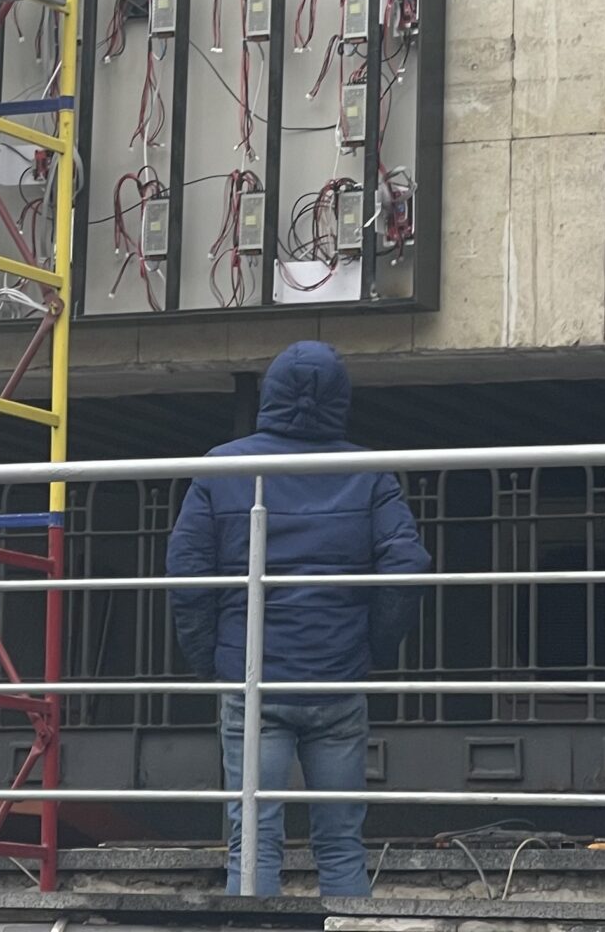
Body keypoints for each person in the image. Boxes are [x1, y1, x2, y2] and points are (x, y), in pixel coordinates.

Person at [166, 341, 431, 898]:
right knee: (341, 842)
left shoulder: (221, 467)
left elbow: (188, 575)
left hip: (252, 678)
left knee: (253, 839)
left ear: (272, 394)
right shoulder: (367, 473)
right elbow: (405, 565)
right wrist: (373, 650)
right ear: (340, 400)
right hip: (336, 678)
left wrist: (210, 661)